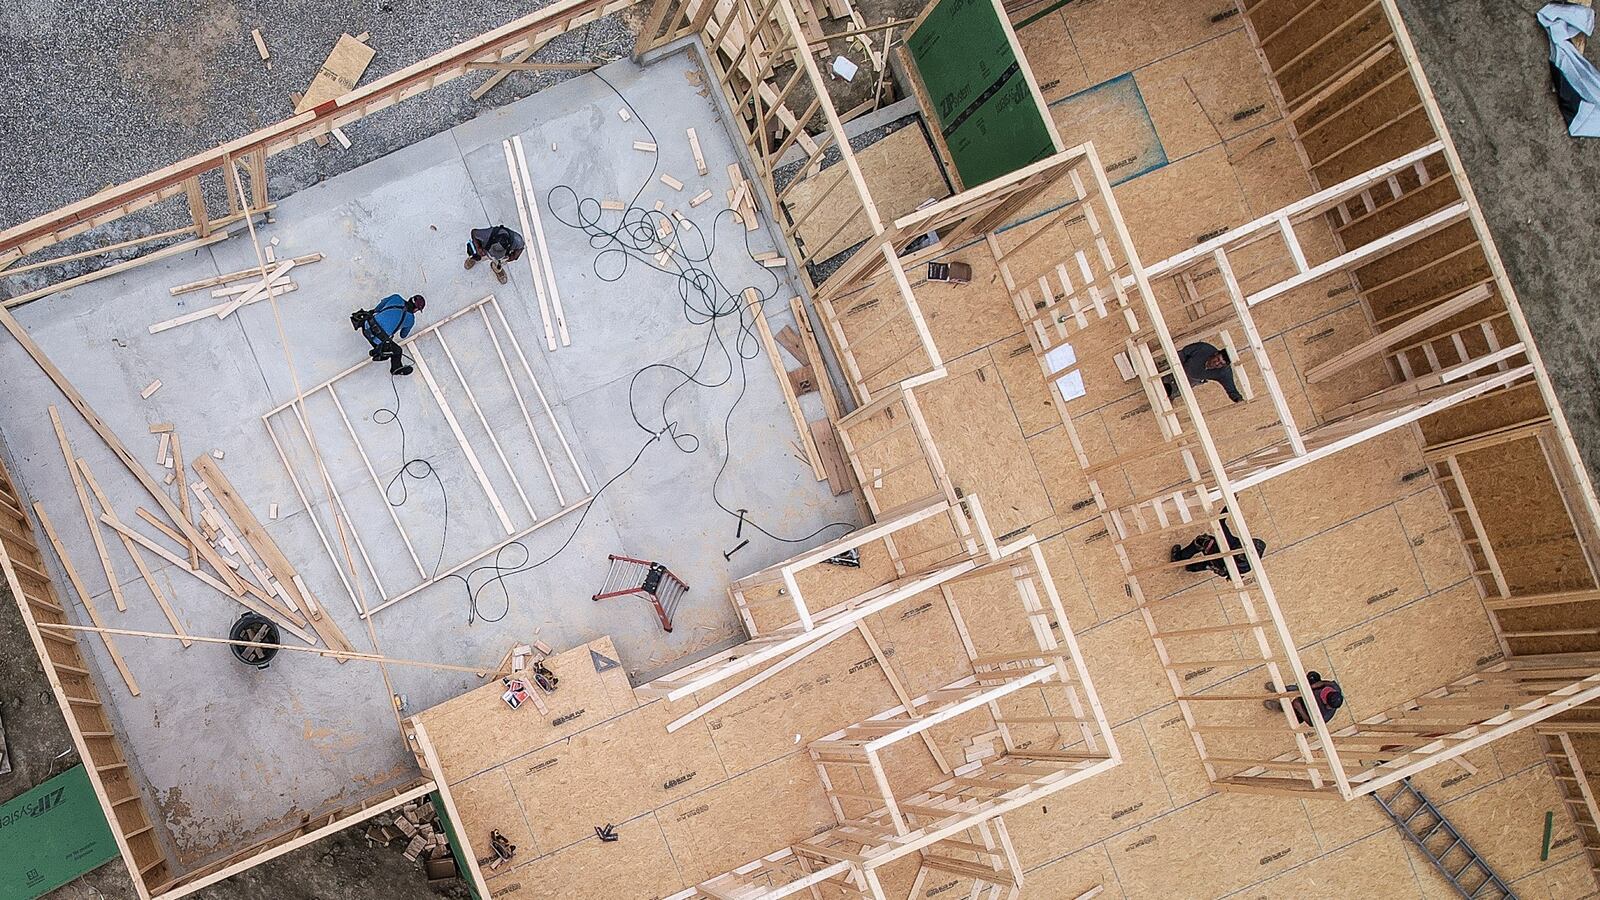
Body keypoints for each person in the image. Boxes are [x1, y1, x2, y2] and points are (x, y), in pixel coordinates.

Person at [351, 294, 425, 376]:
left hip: (366, 326)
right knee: (398, 351)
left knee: (382, 335)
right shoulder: (411, 320)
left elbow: (378, 308)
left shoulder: (396, 297)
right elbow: (403, 335)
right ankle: (395, 367)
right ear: (416, 309)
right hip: (377, 339)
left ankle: (380, 352)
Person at [1171, 515, 1266, 579]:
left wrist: (1226, 510)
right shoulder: (1248, 566)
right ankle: (1194, 566)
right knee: (1215, 562)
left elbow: (1220, 523)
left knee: (1203, 541)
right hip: (1219, 567)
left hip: (1216, 558)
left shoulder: (1234, 543)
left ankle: (1180, 558)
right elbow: (1234, 576)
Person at [1163, 341, 1244, 403]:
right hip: (1174, 369)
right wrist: (1176, 368)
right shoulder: (1203, 348)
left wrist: (1238, 399)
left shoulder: (1223, 373)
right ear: (1216, 353)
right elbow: (1182, 353)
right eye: (1217, 359)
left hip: (1184, 383)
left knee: (1166, 395)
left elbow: (1231, 389)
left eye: (1220, 364)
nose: (1216, 363)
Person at [1265, 672, 1344, 726]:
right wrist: (1311, 687)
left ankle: (1282, 707)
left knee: (1296, 713)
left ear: (1327, 705)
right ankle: (1281, 689)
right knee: (1312, 676)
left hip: (1309, 707)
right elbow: (1324, 683)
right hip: (1311, 692)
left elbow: (1311, 723)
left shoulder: (1324, 716)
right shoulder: (1334, 688)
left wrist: (1300, 709)